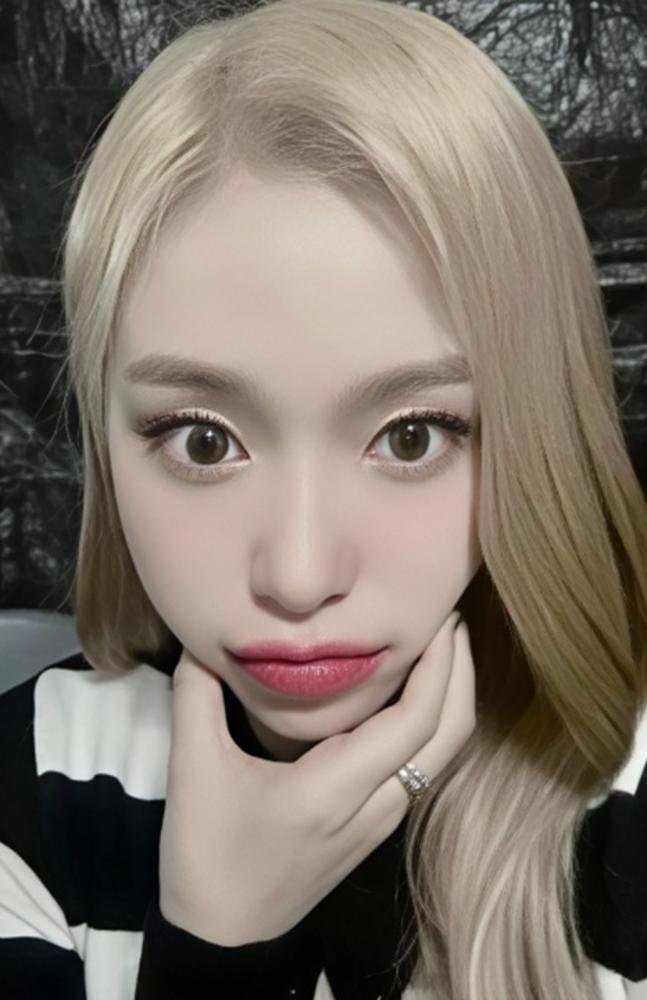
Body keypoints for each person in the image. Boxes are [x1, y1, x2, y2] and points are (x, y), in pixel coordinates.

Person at [1, 0, 645, 997]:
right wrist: (219, 938)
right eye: (203, 440)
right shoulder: (31, 797)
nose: (299, 578)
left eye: (411, 436)